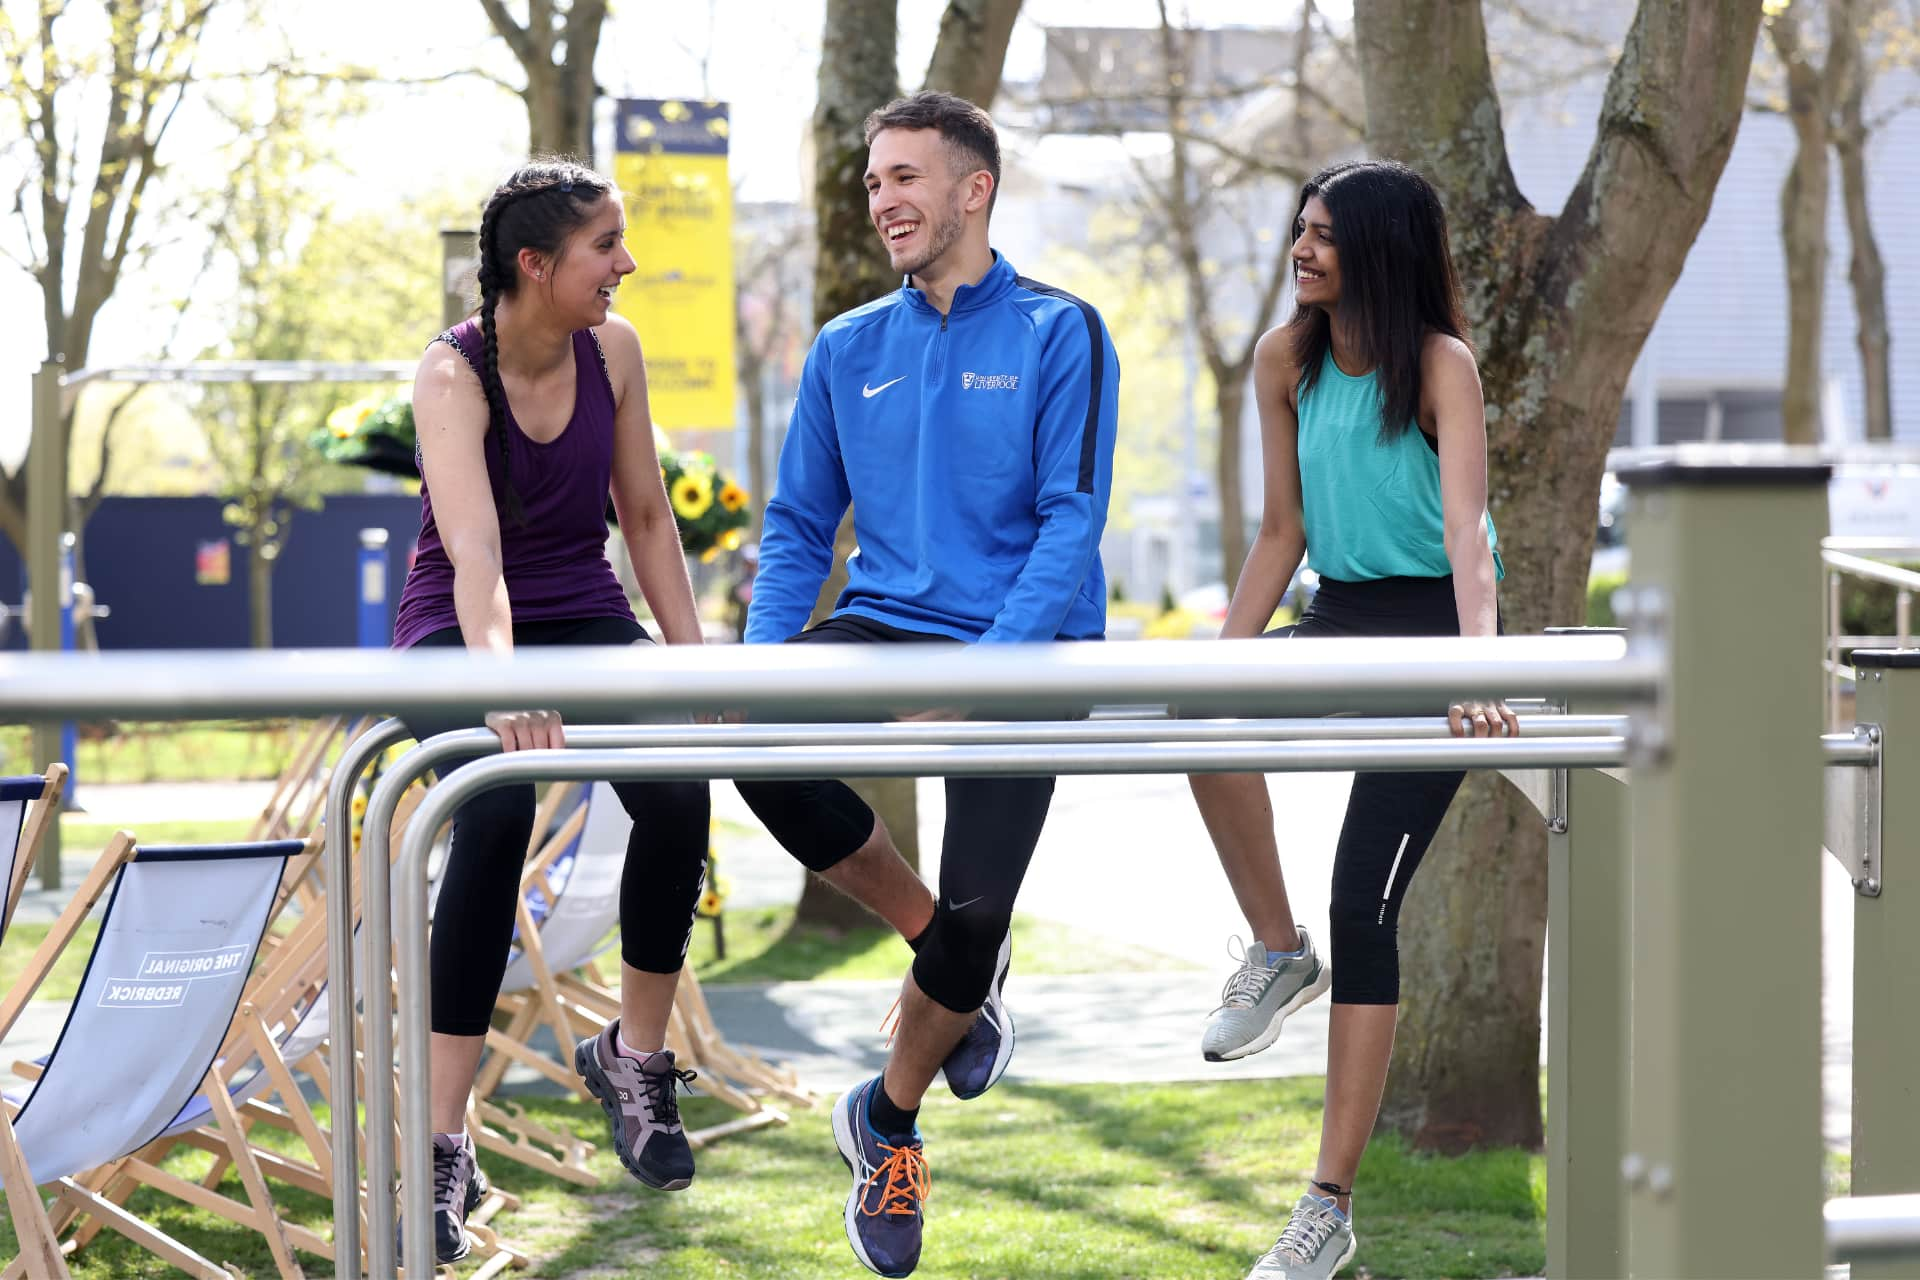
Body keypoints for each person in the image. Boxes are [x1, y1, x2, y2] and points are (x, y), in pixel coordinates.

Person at [734, 91, 1119, 1278]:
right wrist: (752, 671)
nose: (884, 199)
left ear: (974, 188)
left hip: (1024, 643)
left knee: (983, 914)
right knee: (754, 739)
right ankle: (937, 940)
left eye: (906, 177)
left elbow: (1071, 519)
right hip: (884, 623)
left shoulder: (1061, 330)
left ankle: (886, 1119)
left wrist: (990, 677)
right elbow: (799, 526)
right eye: (872, 181)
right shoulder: (849, 348)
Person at [1183, 160, 1516, 1280]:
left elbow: (1467, 536)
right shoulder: (1286, 361)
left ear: (1377, 248)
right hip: (1340, 615)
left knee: (1364, 899)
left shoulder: (1439, 364)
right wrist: (1225, 666)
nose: (1302, 249)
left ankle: (1327, 1206)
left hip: (1433, 634)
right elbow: (1282, 532)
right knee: (1198, 714)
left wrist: (1478, 667)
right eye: (1300, 229)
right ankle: (1278, 952)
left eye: (1324, 234)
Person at [391, 158, 712, 1264]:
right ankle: (443, 1136)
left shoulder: (612, 350)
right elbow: (474, 548)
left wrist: (697, 666)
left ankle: (634, 1056)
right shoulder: (451, 373)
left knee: (677, 790)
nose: (626, 263)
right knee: (491, 808)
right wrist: (503, 677)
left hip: (584, 610)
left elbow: (647, 517)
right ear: (535, 266)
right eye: (605, 247)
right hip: (457, 626)